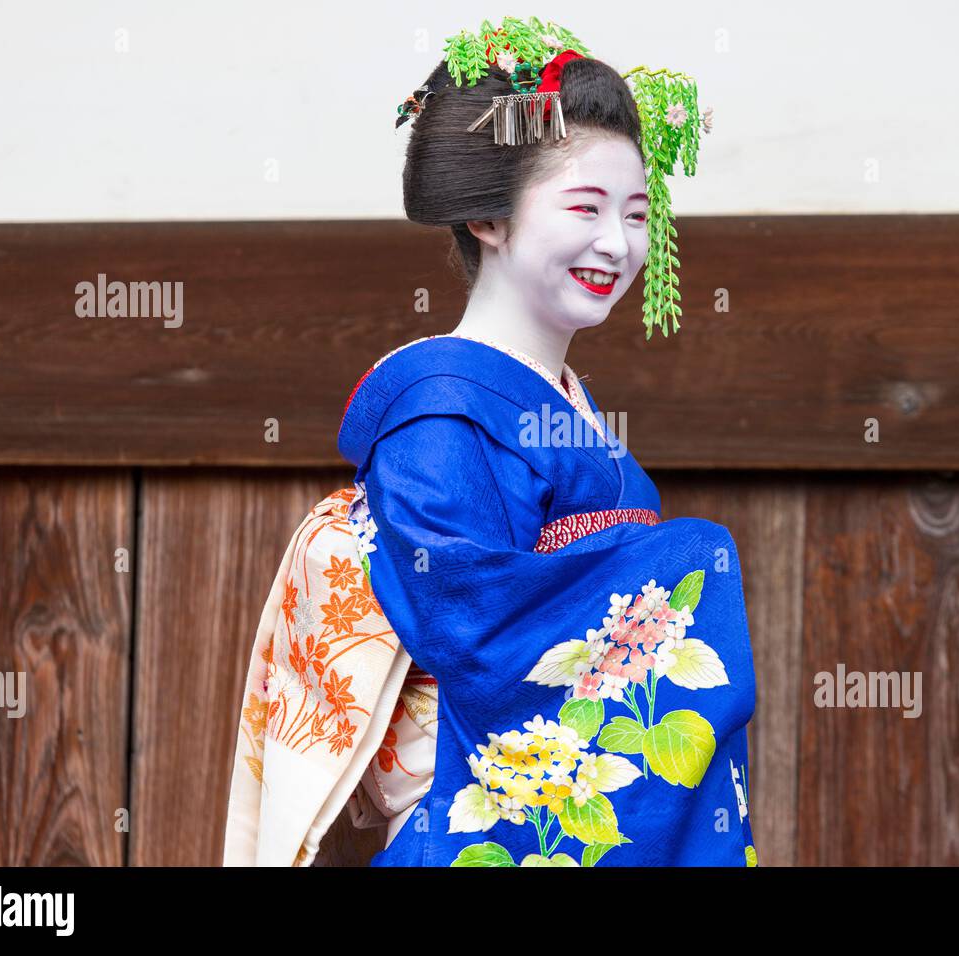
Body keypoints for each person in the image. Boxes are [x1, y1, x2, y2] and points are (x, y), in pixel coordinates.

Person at [224, 18, 756, 868]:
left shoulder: (558, 406)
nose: (617, 244)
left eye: (635, 214)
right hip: (474, 827)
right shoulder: (442, 416)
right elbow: (477, 639)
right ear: (488, 217)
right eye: (584, 208)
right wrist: (687, 572)